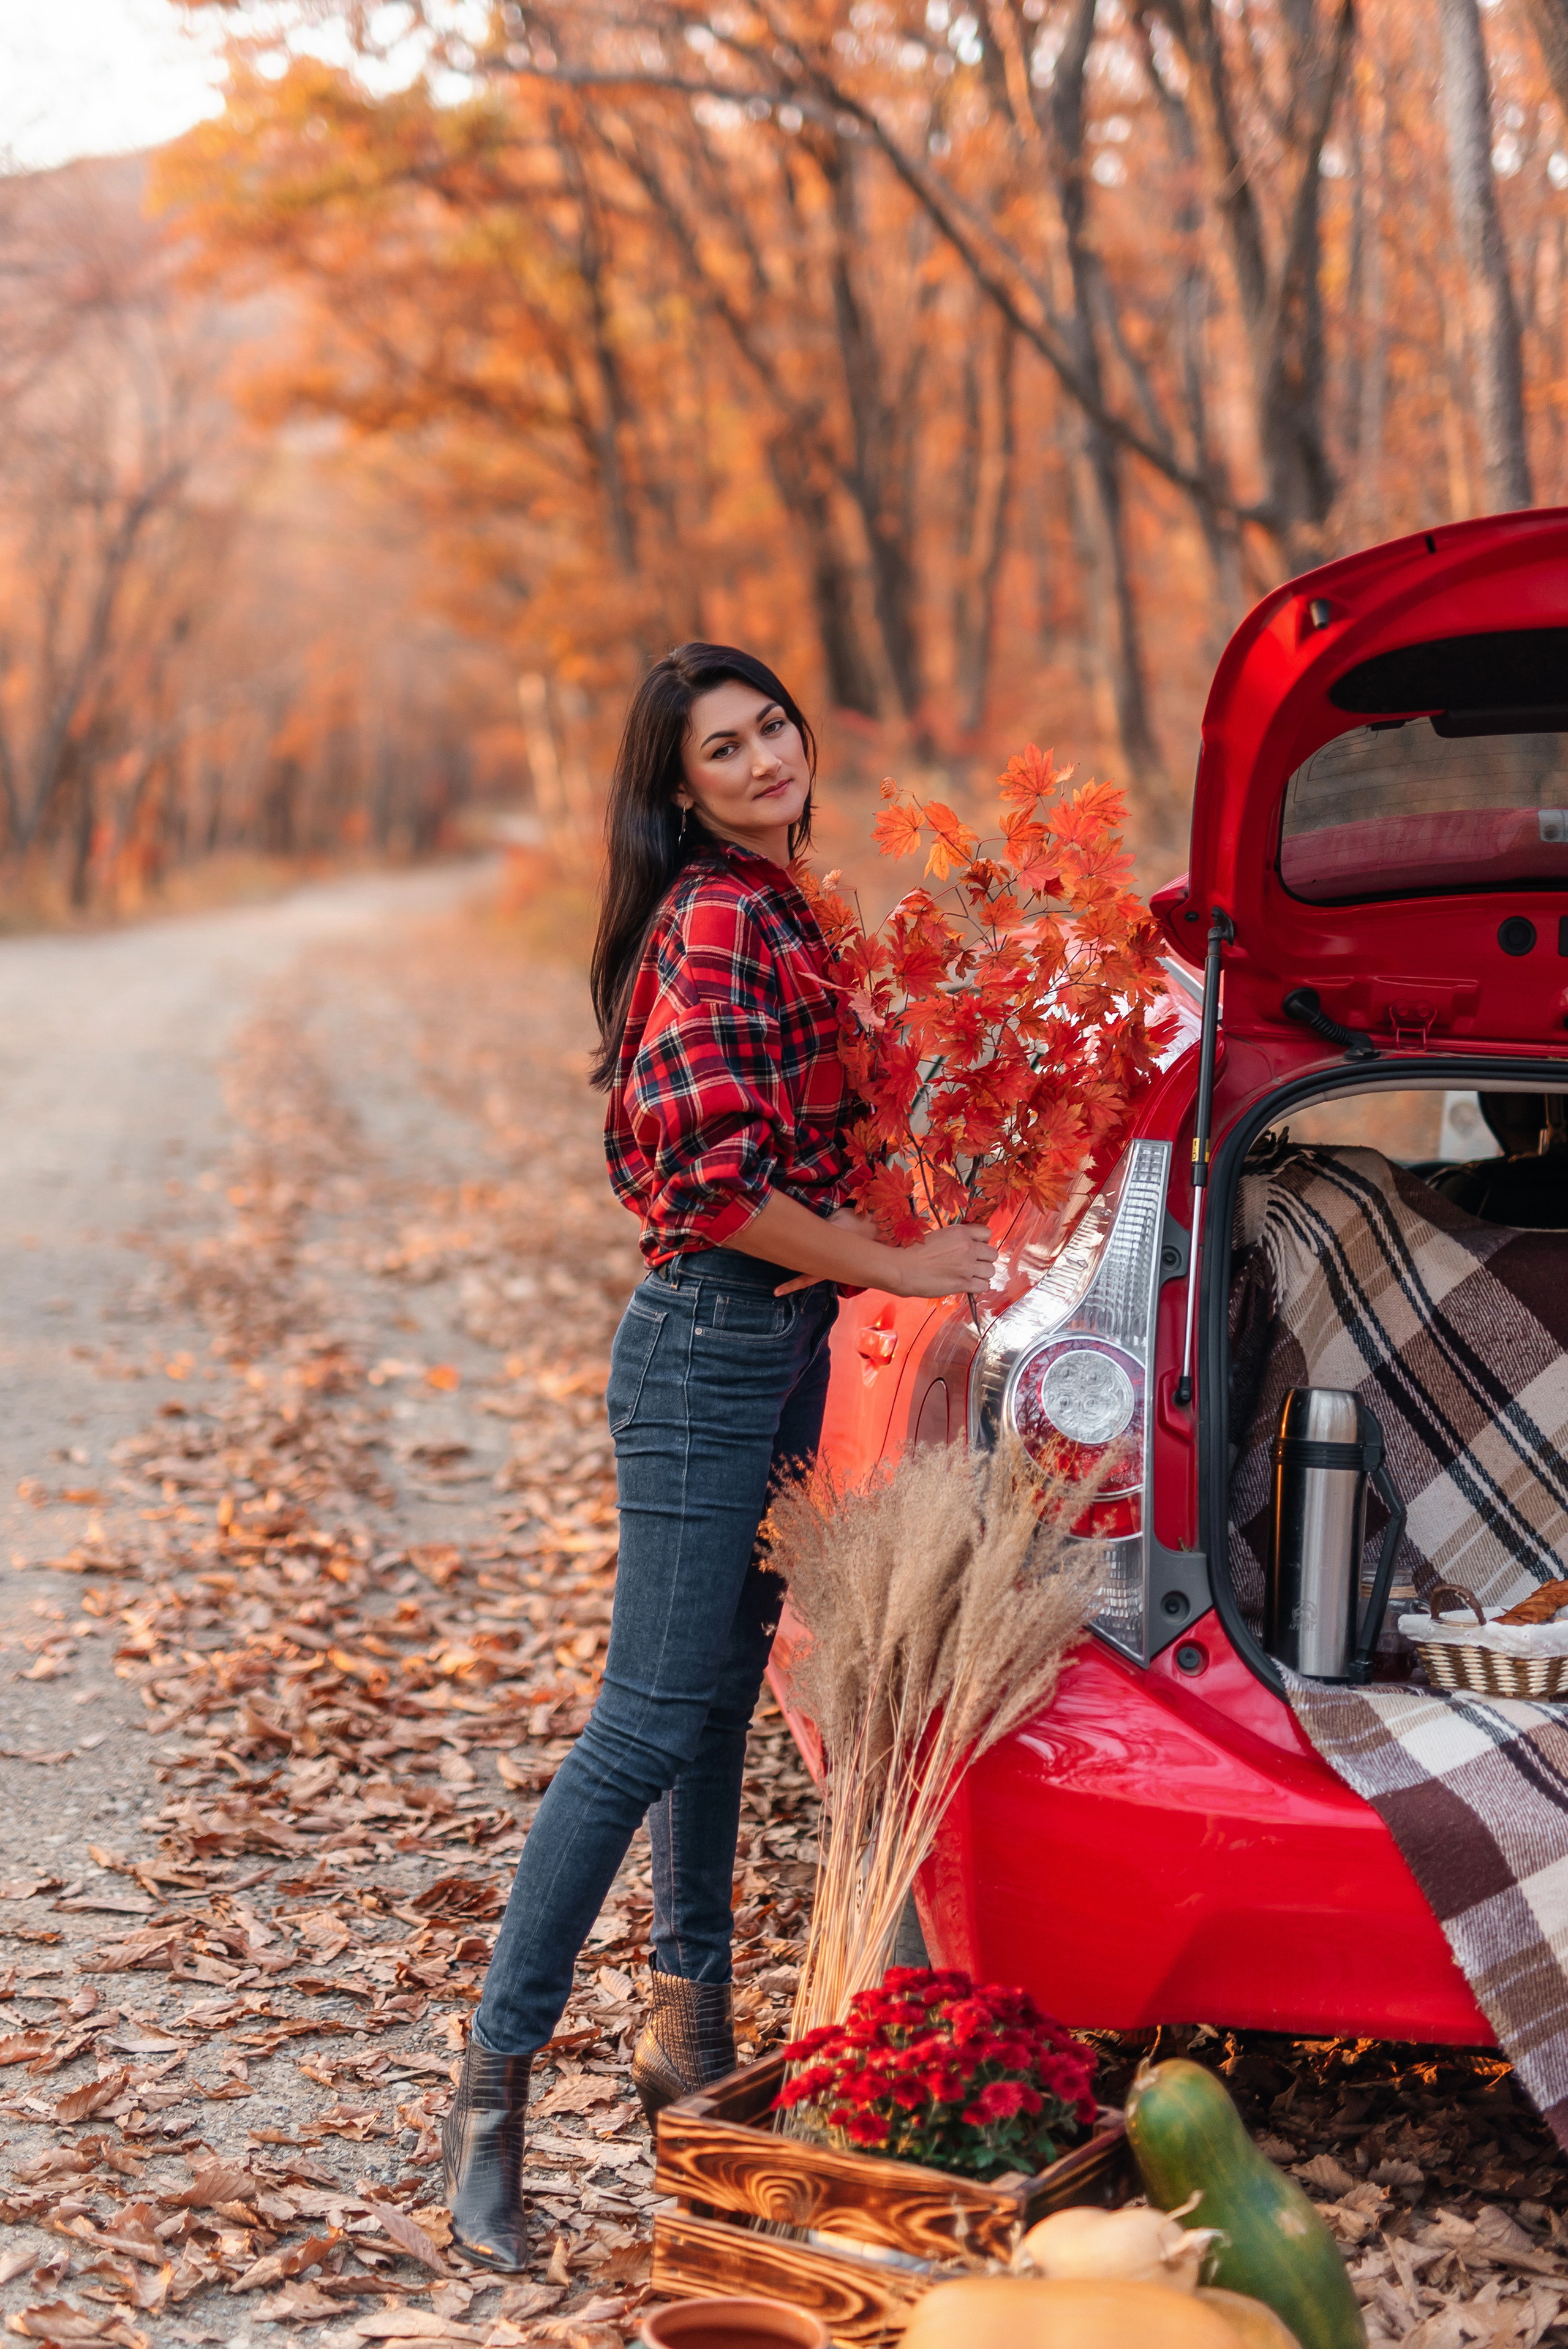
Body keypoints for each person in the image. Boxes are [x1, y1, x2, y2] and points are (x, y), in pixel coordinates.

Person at [442, 643, 998, 2269]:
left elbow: (837, 1134)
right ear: (677, 788)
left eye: (773, 728)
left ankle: (692, 2042)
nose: (765, 759)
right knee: (640, 1722)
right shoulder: (707, 919)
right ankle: (488, 2102)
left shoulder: (788, 908)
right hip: (710, 1343)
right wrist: (895, 1266)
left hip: (788, 1349)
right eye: (723, 748)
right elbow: (705, 1184)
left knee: (716, 1700)